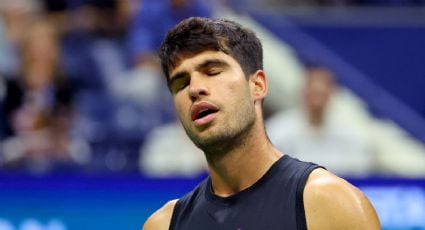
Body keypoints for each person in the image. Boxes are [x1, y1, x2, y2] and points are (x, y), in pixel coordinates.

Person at [143, 17, 380, 229]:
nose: (194, 89)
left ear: (258, 86)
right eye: (181, 84)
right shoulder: (163, 225)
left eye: (213, 71)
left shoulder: (332, 205)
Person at [267, 65, 375, 176]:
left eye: (321, 94)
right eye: (313, 94)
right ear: (303, 93)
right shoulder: (278, 130)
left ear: (331, 95)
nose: (316, 102)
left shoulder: (353, 133)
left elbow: (361, 174)